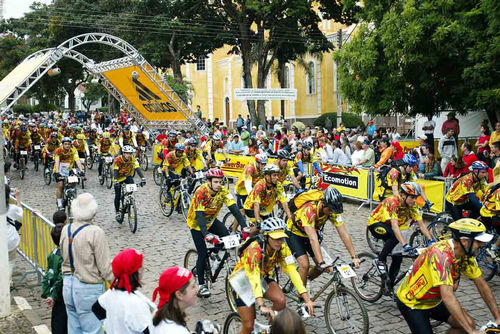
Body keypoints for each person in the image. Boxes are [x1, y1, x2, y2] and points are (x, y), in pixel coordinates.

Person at [396, 219, 500, 334]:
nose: (482, 245)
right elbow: (448, 296)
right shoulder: (441, 255)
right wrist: (471, 332)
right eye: (478, 242)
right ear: (464, 241)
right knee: (468, 327)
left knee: (468, 323)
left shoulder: (465, 254)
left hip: (434, 300)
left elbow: (481, 284)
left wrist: (498, 318)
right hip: (413, 302)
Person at [230, 217, 315, 334]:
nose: (279, 241)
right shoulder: (254, 248)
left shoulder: (282, 247)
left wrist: (306, 299)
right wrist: (260, 304)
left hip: (262, 276)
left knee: (281, 300)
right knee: (249, 325)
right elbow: (253, 276)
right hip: (243, 280)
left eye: (281, 238)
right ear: (266, 237)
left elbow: (293, 271)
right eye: (275, 238)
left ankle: (272, 329)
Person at [186, 168, 247, 297]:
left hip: (212, 220)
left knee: (227, 241)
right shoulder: (201, 192)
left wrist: (245, 227)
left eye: (220, 182)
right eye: (216, 182)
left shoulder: (223, 191)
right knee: (202, 254)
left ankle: (214, 255)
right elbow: (200, 216)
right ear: (209, 181)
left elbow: (235, 210)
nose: (219, 184)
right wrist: (206, 234)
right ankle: (201, 285)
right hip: (197, 224)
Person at [60, 193, 113, 334]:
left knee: (73, 328)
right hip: (88, 287)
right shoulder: (96, 232)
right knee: (93, 330)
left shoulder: (67, 229)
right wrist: (119, 284)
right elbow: (105, 267)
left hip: (68, 285)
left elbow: (62, 254)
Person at [286, 187, 360, 286]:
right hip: (294, 234)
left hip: (310, 233)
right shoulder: (309, 210)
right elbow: (313, 239)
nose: (331, 212)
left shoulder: (333, 210)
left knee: (326, 268)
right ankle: (302, 298)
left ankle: (302, 280)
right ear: (323, 204)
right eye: (329, 210)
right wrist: (321, 262)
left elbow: (344, 234)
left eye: (333, 210)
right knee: (305, 265)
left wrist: (354, 256)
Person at [368, 183, 434, 290]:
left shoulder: (413, 206)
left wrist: (431, 241)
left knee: (397, 258)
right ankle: (379, 260)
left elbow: (421, 225)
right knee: (394, 237)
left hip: (391, 227)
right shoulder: (393, 202)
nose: (414, 200)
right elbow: (394, 226)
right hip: (376, 224)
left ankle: (388, 285)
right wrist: (405, 244)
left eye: (416, 198)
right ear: (403, 195)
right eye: (412, 197)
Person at [91, 249, 153, 334]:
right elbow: (149, 330)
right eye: (141, 267)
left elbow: (96, 308)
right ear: (137, 272)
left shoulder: (110, 293)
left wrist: (109, 323)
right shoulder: (137, 304)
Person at [150, 267, 198, 334]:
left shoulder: (159, 314)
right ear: (179, 295)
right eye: (193, 286)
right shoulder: (176, 330)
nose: (198, 289)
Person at [42, 222, 67, 334]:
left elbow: (49, 274)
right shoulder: (65, 256)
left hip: (56, 295)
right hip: (62, 293)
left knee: (57, 321)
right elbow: (60, 278)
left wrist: (49, 294)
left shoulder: (52, 254)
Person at [113, 145, 146, 221]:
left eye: (130, 153)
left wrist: (143, 178)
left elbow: (137, 168)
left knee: (131, 189)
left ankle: (129, 200)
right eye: (127, 153)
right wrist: (115, 181)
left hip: (128, 176)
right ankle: (118, 212)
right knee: (117, 195)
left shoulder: (133, 159)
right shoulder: (118, 159)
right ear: (123, 153)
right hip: (118, 178)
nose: (129, 155)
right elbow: (115, 170)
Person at [53, 137, 85, 211]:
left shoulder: (73, 150)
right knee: (60, 185)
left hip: (68, 169)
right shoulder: (59, 150)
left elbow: (77, 160)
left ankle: (71, 193)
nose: (67, 145)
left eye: (69, 144)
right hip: (59, 169)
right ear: (63, 145)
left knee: (73, 182)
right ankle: (59, 202)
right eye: (65, 144)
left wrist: (81, 170)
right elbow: (57, 161)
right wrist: (57, 172)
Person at [6, 185, 22, 286]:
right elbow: (20, 214)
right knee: (10, 261)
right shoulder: (11, 208)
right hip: (9, 239)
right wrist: (18, 199)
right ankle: (7, 281)